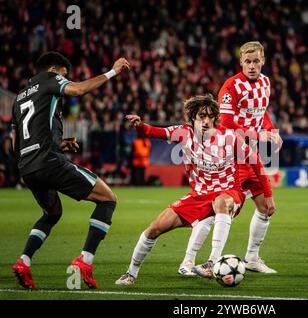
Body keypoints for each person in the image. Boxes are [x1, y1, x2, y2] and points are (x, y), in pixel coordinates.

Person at [115, 94, 274, 285]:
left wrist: (269, 196)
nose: (205, 121)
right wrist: (140, 125)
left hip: (229, 192)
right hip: (199, 195)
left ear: (215, 117)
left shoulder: (230, 138)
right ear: (192, 117)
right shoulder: (184, 133)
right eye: (201, 116)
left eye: (209, 116)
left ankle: (212, 262)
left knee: (221, 202)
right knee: (155, 228)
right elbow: (155, 132)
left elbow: (257, 164)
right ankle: (130, 273)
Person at [11, 51, 130, 289]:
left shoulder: (19, 98)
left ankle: (23, 261)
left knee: (52, 213)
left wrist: (59, 143)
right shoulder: (50, 79)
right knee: (108, 199)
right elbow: (78, 90)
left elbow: (17, 142)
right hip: (48, 161)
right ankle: (85, 261)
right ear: (54, 70)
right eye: (65, 75)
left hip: (27, 166)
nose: (66, 79)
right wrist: (113, 71)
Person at [178, 41, 282, 276]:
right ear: (241, 62)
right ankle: (189, 261)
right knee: (216, 208)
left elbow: (260, 111)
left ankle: (252, 258)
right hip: (230, 156)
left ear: (263, 60)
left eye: (256, 61)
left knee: (265, 207)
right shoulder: (231, 87)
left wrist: (271, 130)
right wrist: (259, 134)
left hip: (251, 155)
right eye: (248, 61)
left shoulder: (265, 83)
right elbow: (226, 123)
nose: (252, 66)